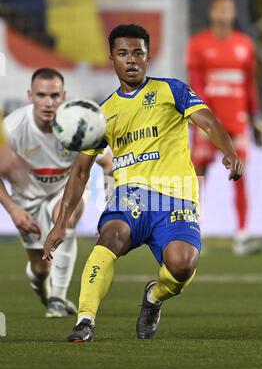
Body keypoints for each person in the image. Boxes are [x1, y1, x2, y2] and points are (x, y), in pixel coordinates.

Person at [43, 24, 243, 342]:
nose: (131, 59)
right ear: (112, 58)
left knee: (181, 266)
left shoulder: (171, 90)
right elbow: (80, 172)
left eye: (138, 52)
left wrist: (229, 152)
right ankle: (85, 320)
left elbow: (207, 119)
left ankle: (154, 297)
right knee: (111, 235)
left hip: (176, 199)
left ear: (148, 56)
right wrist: (61, 224)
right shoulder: (102, 114)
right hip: (131, 196)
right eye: (123, 53)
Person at [1, 68, 91, 318]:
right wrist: (13, 210)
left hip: (63, 189)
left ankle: (58, 299)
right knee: (41, 269)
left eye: (54, 95)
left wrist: (112, 177)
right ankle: (46, 293)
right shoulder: (12, 128)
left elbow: (103, 159)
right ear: (30, 95)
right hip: (26, 199)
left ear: (64, 96)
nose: (48, 102)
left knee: (67, 216)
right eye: (41, 95)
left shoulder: (76, 126)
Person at [186, 0, 262, 255]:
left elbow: (249, 85)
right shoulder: (198, 44)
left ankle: (242, 236)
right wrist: (199, 116)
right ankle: (193, 231)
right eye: (220, 8)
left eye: (228, 9)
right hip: (209, 122)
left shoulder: (244, 44)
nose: (224, 13)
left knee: (240, 175)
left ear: (233, 14)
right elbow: (196, 83)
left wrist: (255, 118)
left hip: (237, 121)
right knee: (198, 174)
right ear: (212, 12)